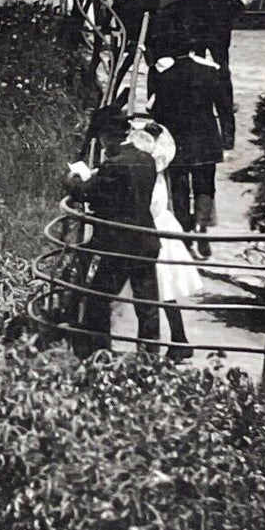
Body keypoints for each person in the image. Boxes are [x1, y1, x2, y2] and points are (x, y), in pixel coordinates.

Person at [63, 105, 161, 353]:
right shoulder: (146, 160)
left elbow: (88, 194)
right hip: (146, 239)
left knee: (98, 299)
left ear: (106, 136)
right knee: (147, 302)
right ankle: (150, 357)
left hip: (120, 245)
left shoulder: (114, 166)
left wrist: (72, 179)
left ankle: (98, 352)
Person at [150, 45, 236, 259]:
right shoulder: (210, 71)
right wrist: (227, 141)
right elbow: (225, 108)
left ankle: (185, 236)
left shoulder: (165, 75)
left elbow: (158, 113)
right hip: (206, 139)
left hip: (177, 142)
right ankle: (200, 228)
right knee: (205, 186)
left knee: (179, 188)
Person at [128, 118, 200, 360]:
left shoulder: (150, 175)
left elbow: (149, 206)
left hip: (153, 231)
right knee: (162, 291)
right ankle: (178, 339)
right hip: (158, 227)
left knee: (155, 290)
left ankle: (156, 345)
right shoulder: (156, 171)